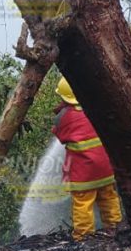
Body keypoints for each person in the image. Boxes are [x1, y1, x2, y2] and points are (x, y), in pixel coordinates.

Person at [52, 77, 123, 240]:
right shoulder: (98, 109)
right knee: (109, 197)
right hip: (106, 168)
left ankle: (84, 236)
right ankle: (114, 227)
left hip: (83, 174)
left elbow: (61, 136)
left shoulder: (64, 117)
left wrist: (61, 115)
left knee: (83, 204)